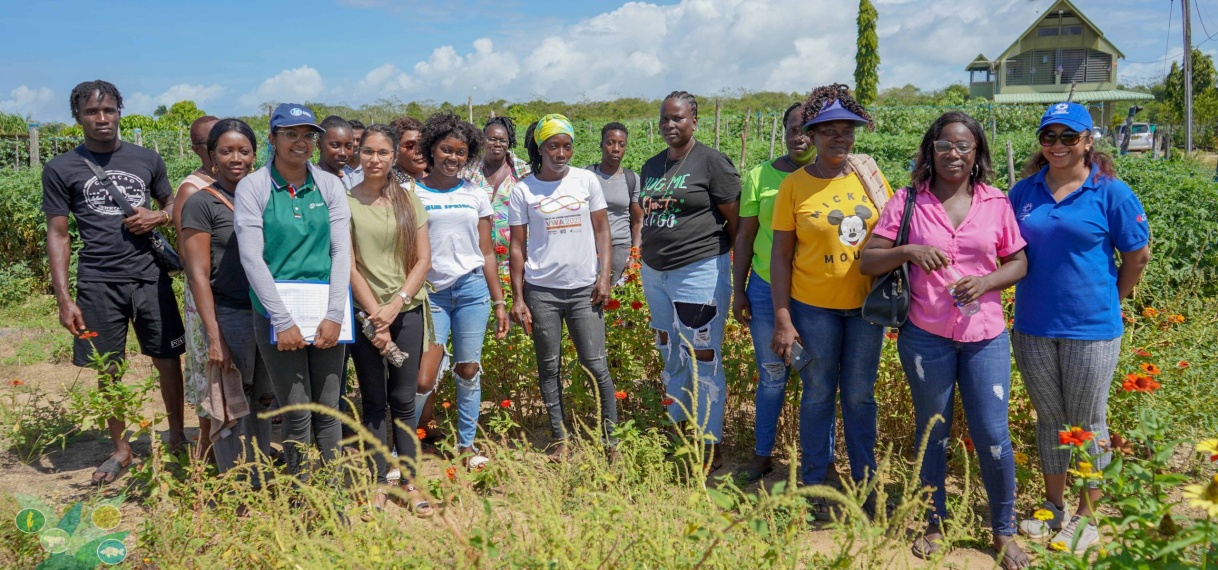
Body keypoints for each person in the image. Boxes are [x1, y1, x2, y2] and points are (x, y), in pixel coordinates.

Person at [859, 111, 1030, 568]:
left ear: (977, 155)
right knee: (932, 431)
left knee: (992, 432)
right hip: (925, 335)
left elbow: (1019, 263)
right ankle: (934, 524)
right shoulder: (907, 201)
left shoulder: (995, 202)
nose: (953, 154)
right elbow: (867, 261)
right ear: (930, 151)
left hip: (984, 335)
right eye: (944, 146)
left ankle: (1002, 531)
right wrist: (908, 250)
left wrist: (988, 282)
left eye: (964, 147)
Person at [1009, 102, 1150, 553]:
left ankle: (1088, 517)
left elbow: (1137, 256)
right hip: (1032, 324)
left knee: (1087, 421)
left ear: (1089, 141)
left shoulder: (1111, 192)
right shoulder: (1023, 192)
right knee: (1049, 417)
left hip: (1091, 328)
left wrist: (1113, 299)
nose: (1057, 146)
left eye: (1069, 137)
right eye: (1049, 137)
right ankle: (1053, 507)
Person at [41, 80, 187, 484]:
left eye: (108, 110)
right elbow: (58, 233)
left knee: (167, 361)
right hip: (97, 282)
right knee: (108, 368)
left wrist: (158, 217)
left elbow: (173, 203)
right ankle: (121, 449)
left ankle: (177, 438)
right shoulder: (61, 168)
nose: (101, 119)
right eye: (92, 112)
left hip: (150, 278)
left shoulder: (146, 159)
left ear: (120, 112)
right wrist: (64, 298)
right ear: (77, 118)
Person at [769, 84, 889, 517]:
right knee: (818, 394)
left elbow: (891, 235)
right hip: (813, 308)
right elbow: (781, 257)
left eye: (847, 130)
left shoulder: (869, 176)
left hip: (865, 309)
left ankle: (864, 484)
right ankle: (817, 484)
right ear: (812, 134)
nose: (840, 138)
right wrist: (783, 317)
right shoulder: (794, 187)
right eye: (829, 131)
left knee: (859, 395)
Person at [233, 103, 352, 479]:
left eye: (307, 135)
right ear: (272, 138)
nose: (300, 143)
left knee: (329, 410)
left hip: (326, 312)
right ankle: (301, 495)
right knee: (297, 413)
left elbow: (340, 251)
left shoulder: (330, 185)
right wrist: (281, 319)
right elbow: (252, 258)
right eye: (290, 134)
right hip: (276, 317)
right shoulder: (254, 187)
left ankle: (332, 494)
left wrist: (334, 315)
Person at [637, 91, 740, 472]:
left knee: (703, 354)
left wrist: (734, 273)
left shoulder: (712, 163)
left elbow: (737, 222)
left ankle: (710, 440)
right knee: (669, 349)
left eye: (677, 118)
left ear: (694, 120)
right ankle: (677, 428)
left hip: (699, 272)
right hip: (654, 274)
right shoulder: (651, 166)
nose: (670, 125)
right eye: (665, 119)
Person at [509, 115, 618, 461]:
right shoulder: (524, 189)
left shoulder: (586, 181)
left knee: (596, 365)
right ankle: (560, 440)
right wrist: (518, 297)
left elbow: (602, 231)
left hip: (585, 290)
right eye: (552, 146)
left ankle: (610, 442)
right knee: (549, 366)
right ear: (539, 148)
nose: (560, 152)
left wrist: (604, 277)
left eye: (566, 145)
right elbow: (516, 246)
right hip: (542, 292)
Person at [179, 118, 275, 479]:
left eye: (244, 151)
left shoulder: (267, 197)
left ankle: (260, 476)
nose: (237, 158)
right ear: (212, 156)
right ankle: (235, 485)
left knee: (264, 398)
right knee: (232, 398)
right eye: (226, 151)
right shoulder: (201, 203)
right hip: (230, 314)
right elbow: (197, 274)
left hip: (268, 312)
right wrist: (214, 334)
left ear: (255, 155)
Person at [346, 123, 435, 516]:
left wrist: (395, 305)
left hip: (407, 311)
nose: (375, 159)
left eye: (383, 152)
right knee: (373, 402)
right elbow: (348, 265)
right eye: (368, 152)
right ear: (358, 153)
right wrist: (374, 314)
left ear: (394, 154)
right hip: (364, 314)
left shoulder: (408, 200)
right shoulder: (344, 202)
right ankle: (379, 482)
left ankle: (410, 481)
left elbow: (423, 260)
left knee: (403, 400)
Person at [412, 112, 509, 466]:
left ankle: (467, 446)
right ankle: (406, 445)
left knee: (468, 369)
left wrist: (499, 300)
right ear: (431, 149)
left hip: (471, 292)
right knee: (424, 378)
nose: (453, 158)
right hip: (431, 293)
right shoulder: (412, 193)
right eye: (446, 150)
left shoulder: (476, 194)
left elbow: (485, 251)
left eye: (461, 152)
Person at [732, 103, 816, 483]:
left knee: (818, 378)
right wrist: (740, 289)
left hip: (817, 291)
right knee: (771, 375)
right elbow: (746, 236)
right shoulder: (759, 176)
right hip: (766, 288)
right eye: (792, 128)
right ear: (783, 131)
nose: (799, 136)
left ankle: (819, 460)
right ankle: (763, 453)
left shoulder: (833, 176)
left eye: (806, 129)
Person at [175, 114, 219, 457]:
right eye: (212, 144)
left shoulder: (242, 182)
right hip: (207, 293)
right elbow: (192, 260)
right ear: (197, 150)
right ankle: (207, 449)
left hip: (239, 292)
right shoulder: (192, 189)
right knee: (208, 369)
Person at [461, 116, 531, 262]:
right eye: (491, 139)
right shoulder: (469, 171)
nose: (497, 144)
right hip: (478, 260)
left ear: (509, 143)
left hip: (515, 259)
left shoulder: (521, 171)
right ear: (482, 140)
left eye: (503, 140)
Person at [586, 122, 643, 286]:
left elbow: (639, 221)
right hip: (591, 247)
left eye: (621, 144)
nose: (616, 148)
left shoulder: (632, 179)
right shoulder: (586, 175)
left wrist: (634, 255)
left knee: (619, 301)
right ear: (601, 145)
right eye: (610, 142)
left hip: (621, 249)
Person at [317, 115, 362, 190]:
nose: (343, 153)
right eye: (335, 145)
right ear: (319, 144)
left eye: (348, 146)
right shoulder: (311, 180)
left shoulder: (339, 180)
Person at [390, 116, 427, 185]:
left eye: (423, 143)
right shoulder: (390, 184)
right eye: (410, 145)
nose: (419, 150)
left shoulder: (437, 175)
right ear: (395, 149)